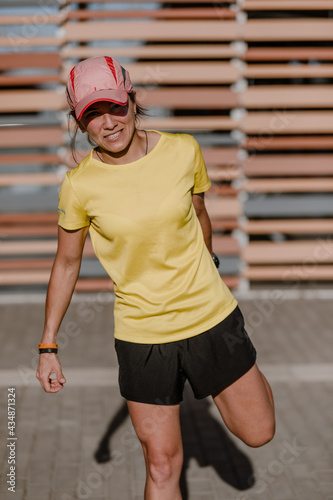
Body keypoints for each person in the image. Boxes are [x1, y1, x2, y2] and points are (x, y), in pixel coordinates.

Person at [36, 56, 275, 500]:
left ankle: (248, 368)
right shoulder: (79, 186)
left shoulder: (183, 150)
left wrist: (209, 269)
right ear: (78, 121)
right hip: (142, 337)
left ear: (131, 99)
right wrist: (48, 345)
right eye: (92, 114)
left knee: (259, 433)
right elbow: (66, 264)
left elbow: (201, 217)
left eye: (115, 106)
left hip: (211, 319)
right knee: (162, 464)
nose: (108, 123)